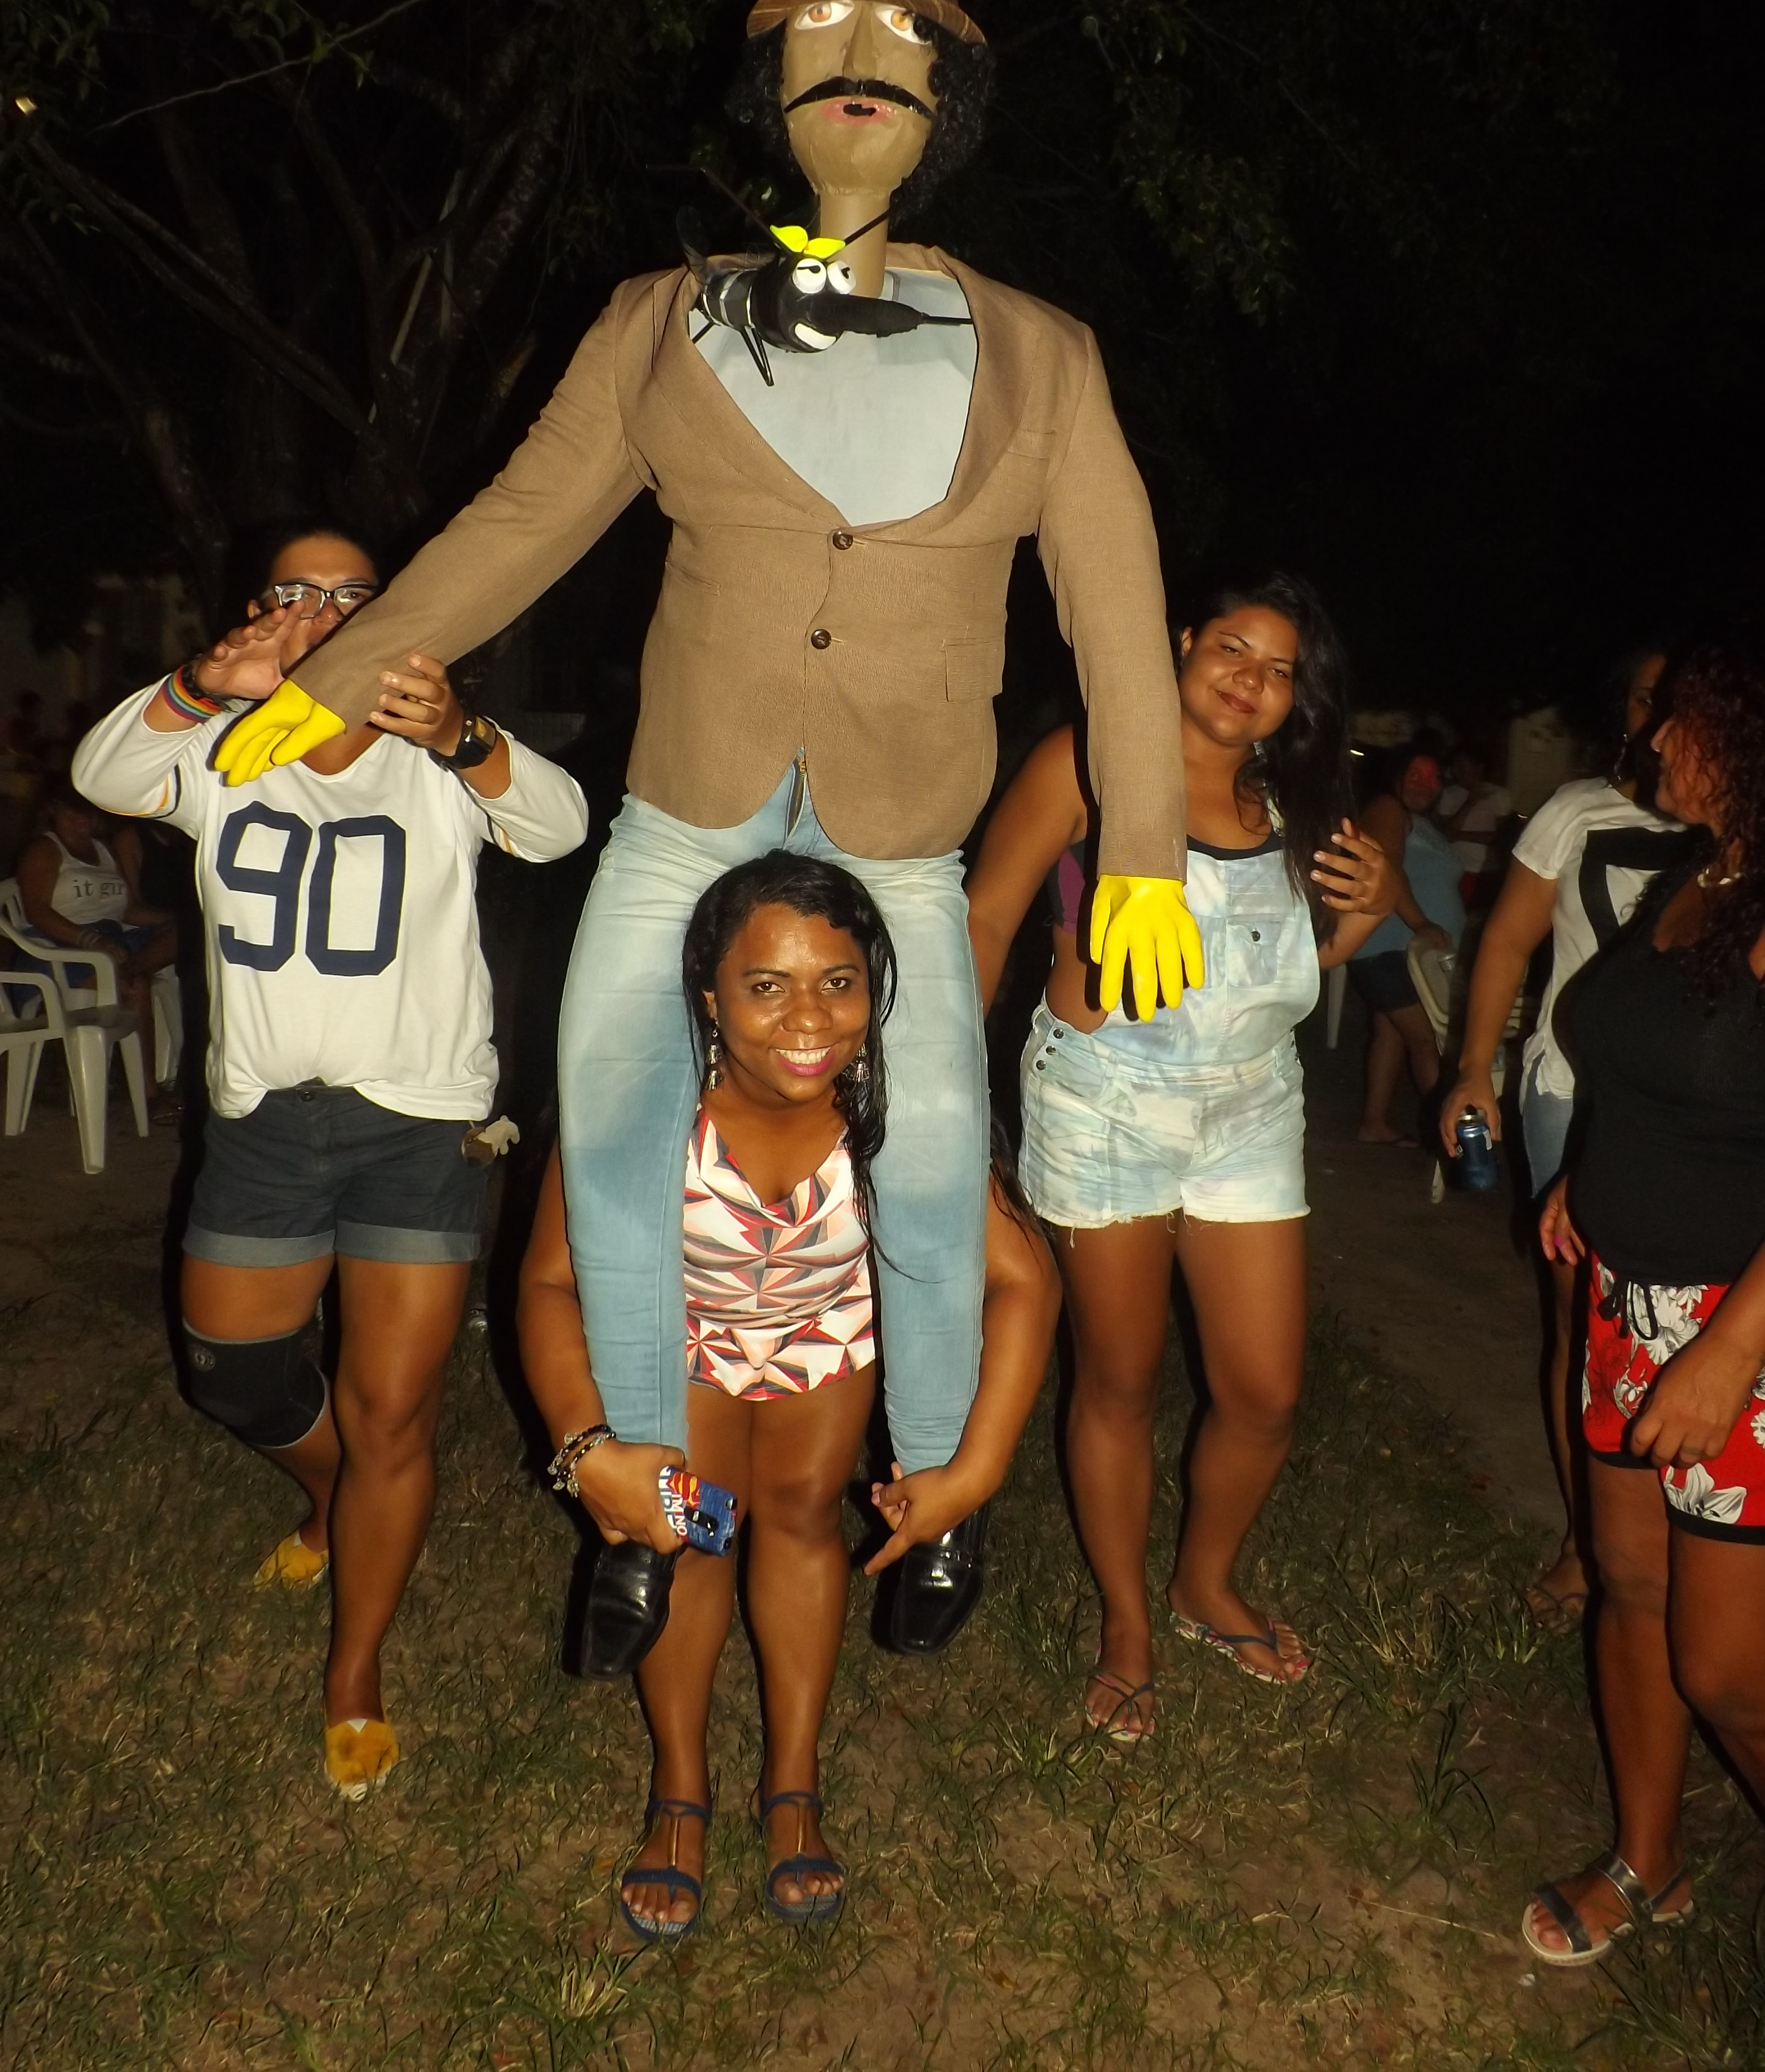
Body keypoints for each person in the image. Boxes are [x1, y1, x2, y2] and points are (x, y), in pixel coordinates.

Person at [203, 0, 1199, 1647]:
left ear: (953, 96)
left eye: (904, 42)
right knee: (609, 1124)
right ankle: (651, 1501)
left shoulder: (1044, 353)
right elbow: (524, 518)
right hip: (687, 799)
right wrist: (348, 677)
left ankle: (940, 1494)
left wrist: (1146, 857)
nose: (862, 67)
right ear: (769, 81)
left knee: (934, 1148)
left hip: (902, 823)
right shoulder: (664, 321)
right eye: (822, 35)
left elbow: (1120, 612)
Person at [72, 523, 588, 1799]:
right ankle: (337, 1498)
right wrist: (204, 683)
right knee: (233, 1372)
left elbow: (559, 824)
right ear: (262, 610)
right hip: (264, 1123)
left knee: (393, 1410)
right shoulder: (224, 752)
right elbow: (105, 770)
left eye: (352, 594)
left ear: (394, 615)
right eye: (295, 590)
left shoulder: (433, 756)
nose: (321, 609)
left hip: (416, 1124)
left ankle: (356, 1669)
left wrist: (459, 731)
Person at [517, 852, 1059, 1936]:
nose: (809, 1016)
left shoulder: (894, 1109)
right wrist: (585, 1447)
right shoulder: (646, 1106)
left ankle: (794, 1784)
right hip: (685, 1352)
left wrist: (977, 1470)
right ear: (710, 995)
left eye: (839, 981)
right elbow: (546, 1282)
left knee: (805, 1522)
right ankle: (681, 1789)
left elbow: (1024, 1278)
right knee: (697, 1534)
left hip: (826, 1349)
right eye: (767, 984)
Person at [965, 577, 1396, 1727]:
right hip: (1103, 1098)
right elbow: (988, 914)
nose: (1251, 679)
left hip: (1249, 1105)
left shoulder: (1291, 793)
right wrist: (951, 1096)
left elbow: (1305, 952)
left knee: (1265, 1390)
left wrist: (1379, 896)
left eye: (1280, 669)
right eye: (1233, 648)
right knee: (1120, 1377)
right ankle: (1126, 1620)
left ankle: (1205, 1580)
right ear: (1183, 644)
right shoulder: (1090, 761)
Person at [1520, 615, 1765, 1968]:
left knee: (1732, 1670)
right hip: (1629, 1303)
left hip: (1750, 1335)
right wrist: (1592, 1176)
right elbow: (1658, 1062)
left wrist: (1728, 1352)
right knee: (1627, 1585)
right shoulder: (1701, 870)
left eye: (1686, 715)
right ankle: (1648, 1861)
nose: (1658, 734)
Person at [1438, 650, 1683, 1622]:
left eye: (1686, 696)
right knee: (1583, 1318)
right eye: (1649, 694)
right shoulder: (1576, 810)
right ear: (1624, 708)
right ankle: (1587, 1537)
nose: (1665, 713)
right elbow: (1506, 940)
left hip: (1686, 1111)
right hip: (1570, 1095)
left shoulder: (1738, 829)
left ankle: (1682, 1534)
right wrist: (1472, 1070)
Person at [11, 773, 179, 1118]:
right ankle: (149, 1093)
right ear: (53, 812)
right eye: (72, 812)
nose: (81, 820)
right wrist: (91, 940)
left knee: (186, 930)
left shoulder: (104, 850)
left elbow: (127, 910)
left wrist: (171, 918)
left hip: (114, 938)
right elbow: (37, 911)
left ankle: (127, 971)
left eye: (87, 812)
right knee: (136, 986)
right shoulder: (45, 849)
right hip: (61, 947)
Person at [1350, 743, 1466, 1146]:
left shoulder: (1422, 823)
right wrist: (1420, 923)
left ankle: (1374, 1124)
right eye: (1415, 774)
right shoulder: (1387, 808)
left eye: (1434, 777)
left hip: (1405, 953)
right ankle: (1450, 1141)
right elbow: (1386, 867)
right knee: (1428, 1040)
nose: (1425, 783)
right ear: (1395, 776)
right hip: (1392, 949)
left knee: (1392, 1035)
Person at [1436, 742, 1513, 908]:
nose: (1456, 771)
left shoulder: (1500, 795)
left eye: (1462, 767)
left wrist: (1460, 835)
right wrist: (1470, 803)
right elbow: (1446, 834)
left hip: (1487, 871)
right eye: (1454, 766)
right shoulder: (1449, 794)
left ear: (1479, 768)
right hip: (1456, 869)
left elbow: (1500, 838)